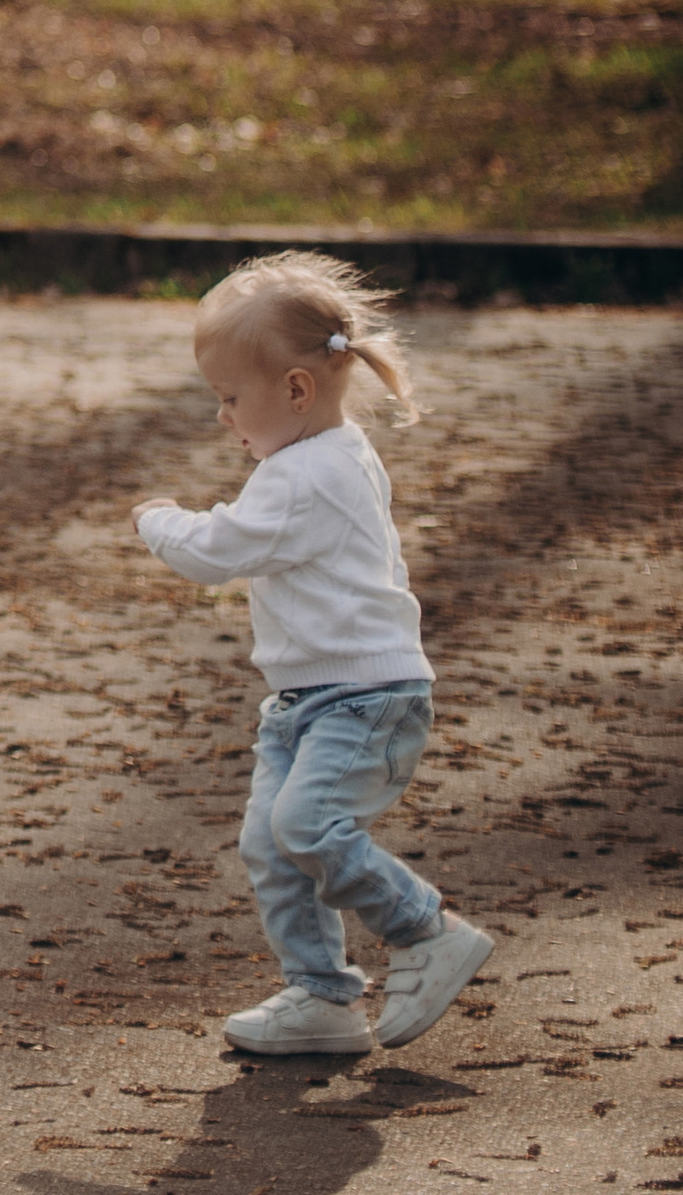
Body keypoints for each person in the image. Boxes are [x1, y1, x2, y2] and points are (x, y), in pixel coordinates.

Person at [129, 251, 491, 1060]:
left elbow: (217, 551)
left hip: (364, 699)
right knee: (272, 842)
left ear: (296, 389)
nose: (223, 416)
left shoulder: (303, 475)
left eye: (231, 397)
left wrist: (158, 519)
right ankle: (323, 995)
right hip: (307, 700)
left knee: (306, 825)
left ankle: (426, 930)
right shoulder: (332, 451)